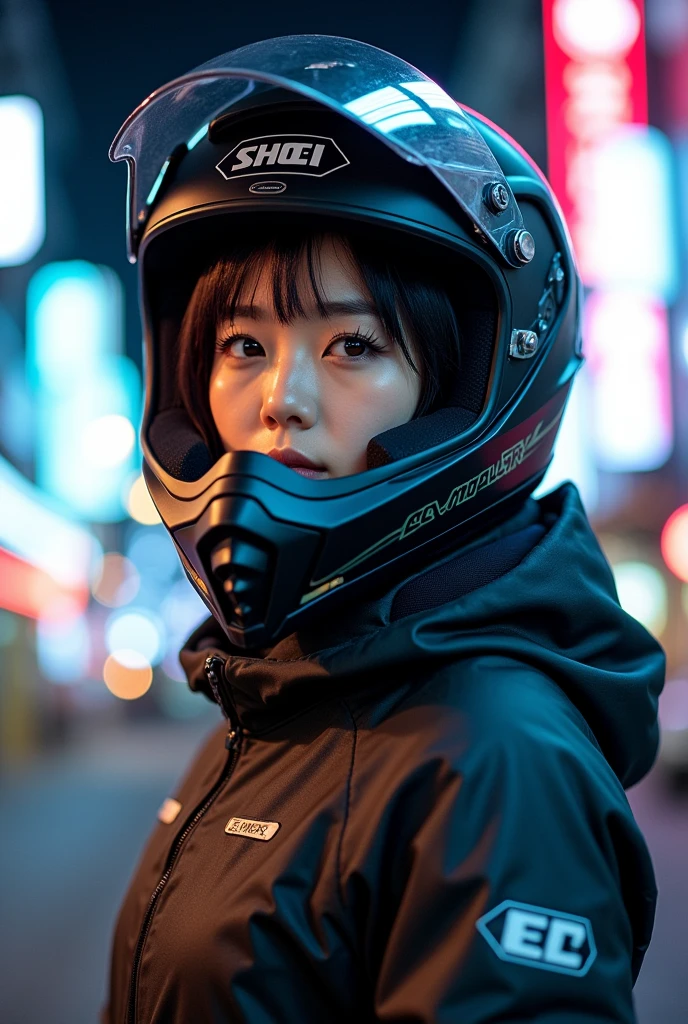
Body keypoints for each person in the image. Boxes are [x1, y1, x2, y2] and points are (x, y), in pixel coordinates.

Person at [103, 35, 665, 1024]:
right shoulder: (274, 691)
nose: (282, 400)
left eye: (352, 344)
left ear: (455, 391)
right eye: (243, 344)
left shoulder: (493, 758)